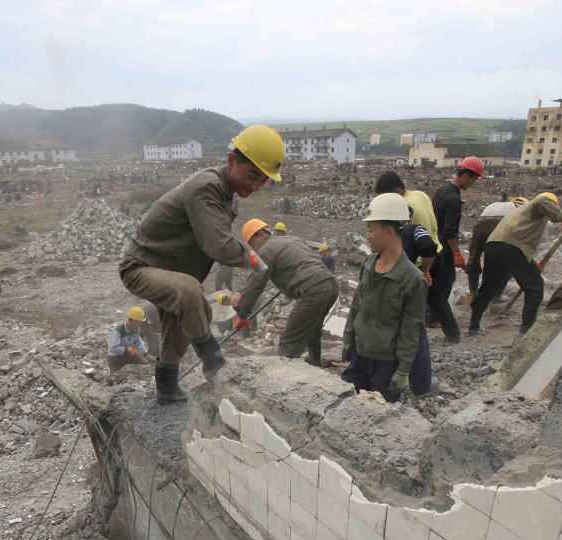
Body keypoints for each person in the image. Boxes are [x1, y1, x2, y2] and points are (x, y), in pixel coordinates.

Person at [118, 125, 284, 403]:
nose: (255, 186)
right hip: (140, 267)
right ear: (232, 161)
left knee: (188, 316)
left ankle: (167, 387)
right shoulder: (206, 187)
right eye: (253, 175)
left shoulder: (228, 197)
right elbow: (218, 245)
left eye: (264, 180)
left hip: (173, 272)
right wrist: (256, 261)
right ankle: (214, 362)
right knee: (190, 293)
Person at [341, 193, 437, 402]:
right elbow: (356, 306)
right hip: (360, 354)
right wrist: (348, 339)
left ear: (389, 231)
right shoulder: (368, 265)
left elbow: (411, 329)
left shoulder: (413, 279)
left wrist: (403, 370)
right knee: (346, 404)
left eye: (371, 229)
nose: (367, 236)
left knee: (379, 414)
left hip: (385, 363)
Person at [229, 219, 338, 366]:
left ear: (260, 235)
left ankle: (282, 377)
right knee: (313, 327)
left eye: (251, 244)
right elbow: (300, 264)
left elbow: (256, 284)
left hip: (313, 290)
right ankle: (314, 359)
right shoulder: (292, 239)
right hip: (330, 285)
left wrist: (242, 314)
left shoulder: (265, 251)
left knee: (289, 341)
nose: (253, 250)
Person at [468, 194, 562, 335]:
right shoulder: (537, 204)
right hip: (511, 248)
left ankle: (473, 327)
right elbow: (541, 200)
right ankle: (527, 330)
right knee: (535, 287)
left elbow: (521, 242)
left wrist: (532, 264)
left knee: (487, 288)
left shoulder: (522, 214)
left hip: (494, 246)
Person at [428, 156, 485, 342]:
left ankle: (430, 318)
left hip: (434, 245)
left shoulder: (442, 191)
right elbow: (450, 230)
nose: (473, 183)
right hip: (444, 248)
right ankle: (452, 332)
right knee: (441, 290)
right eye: (474, 179)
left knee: (439, 285)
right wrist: (457, 253)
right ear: (465, 176)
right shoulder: (453, 198)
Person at [465, 196, 528, 299]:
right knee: (507, 262)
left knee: (474, 257)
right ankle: (496, 295)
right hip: (502, 223)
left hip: (481, 223)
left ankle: (473, 292)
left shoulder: (497, 204)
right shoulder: (523, 207)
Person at [373, 171, 442, 261]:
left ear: (398, 191)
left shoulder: (401, 206)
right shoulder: (421, 194)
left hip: (418, 261)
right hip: (436, 251)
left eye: (385, 197)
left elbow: (398, 239)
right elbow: (433, 224)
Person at [107, 307, 155, 372]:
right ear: (134, 320)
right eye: (139, 321)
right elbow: (113, 348)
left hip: (128, 354)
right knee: (116, 377)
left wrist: (146, 354)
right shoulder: (119, 331)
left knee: (145, 364)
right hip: (115, 358)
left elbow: (139, 343)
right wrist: (128, 349)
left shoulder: (136, 330)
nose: (140, 323)